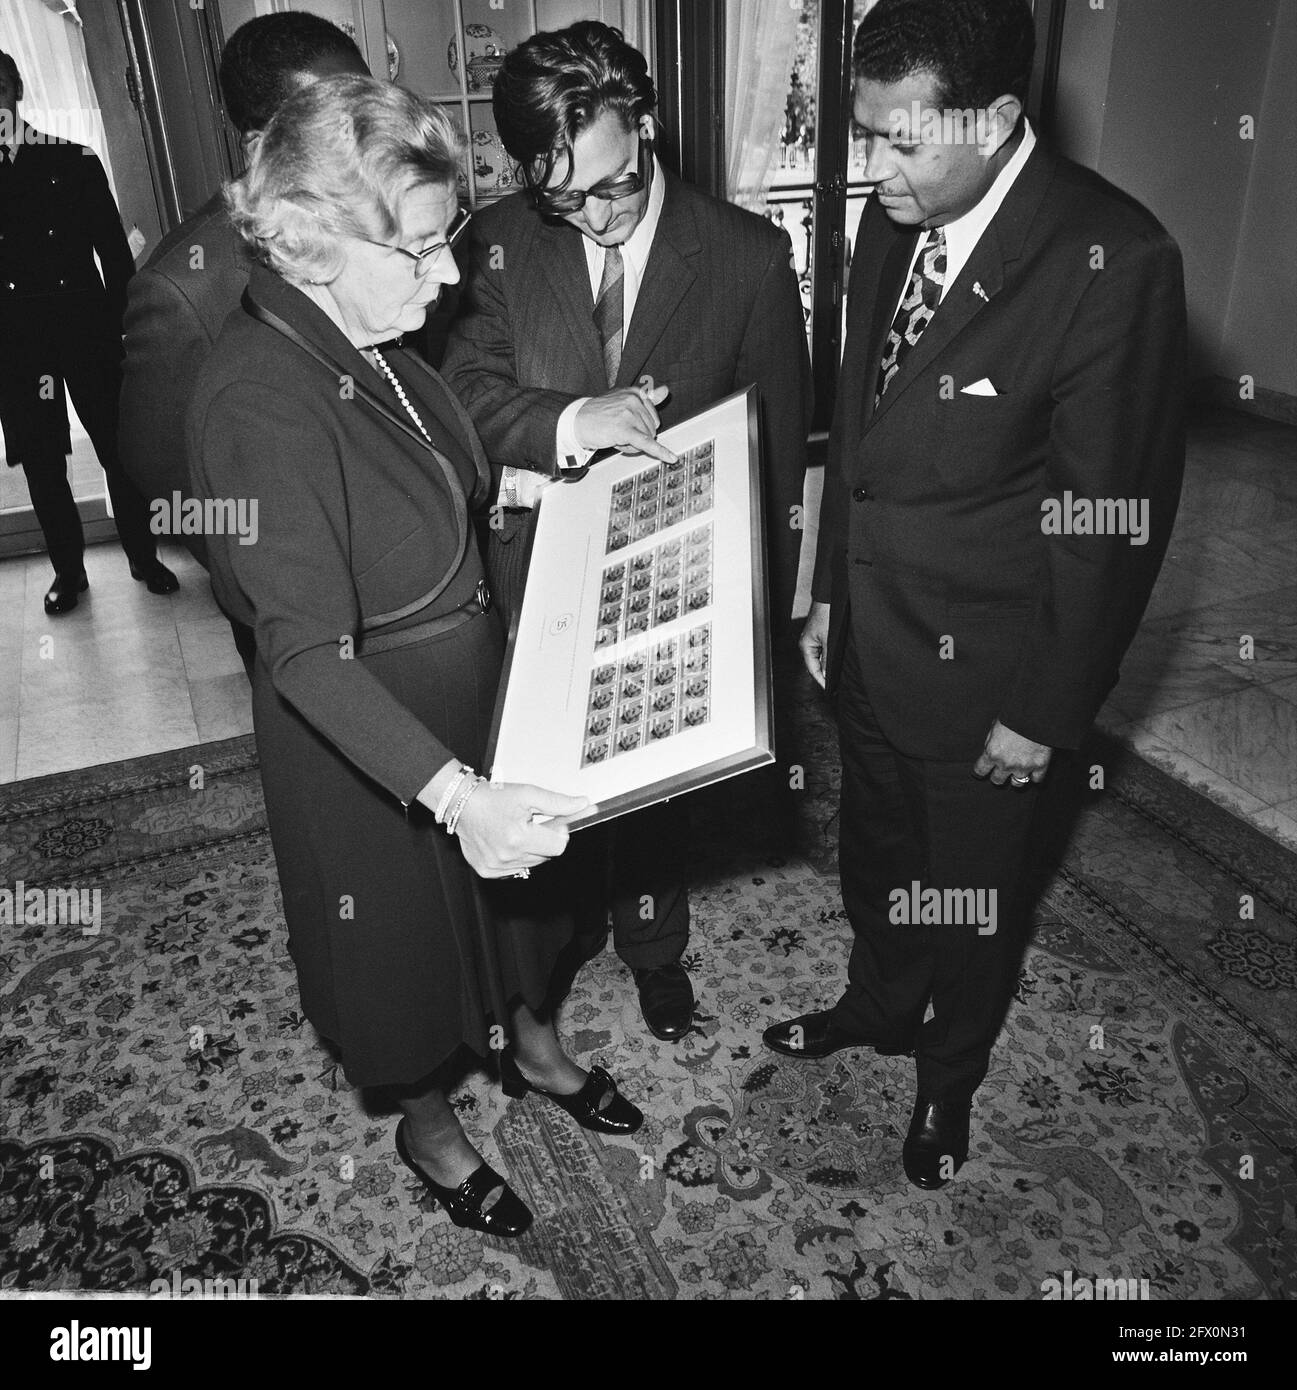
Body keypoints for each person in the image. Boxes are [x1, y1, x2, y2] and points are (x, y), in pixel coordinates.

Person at [190, 74, 643, 1238]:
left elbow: (429, 474)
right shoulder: (256, 399)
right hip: (374, 749)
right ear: (315, 236)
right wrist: (451, 793)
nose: (449, 277)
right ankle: (431, 1131)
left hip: (471, 697)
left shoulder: (365, 329)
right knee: (406, 959)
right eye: (426, 249)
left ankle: (536, 1047)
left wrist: (544, 478)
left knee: (522, 919)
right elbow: (302, 651)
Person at [764, 0, 1186, 1190]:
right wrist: (828, 590)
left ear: (998, 120)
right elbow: (857, 422)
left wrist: (1046, 710)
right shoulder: (894, 215)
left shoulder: (1115, 261)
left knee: (972, 893)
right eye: (865, 135)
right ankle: (878, 1004)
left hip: (995, 675)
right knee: (878, 848)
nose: (874, 168)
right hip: (868, 635)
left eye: (902, 140)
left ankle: (947, 1081)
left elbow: (1109, 521)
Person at [442, 20, 812, 1042]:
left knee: (646, 791)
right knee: (535, 772)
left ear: (643, 125)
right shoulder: (503, 242)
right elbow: (462, 392)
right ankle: (544, 955)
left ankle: (653, 947)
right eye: (565, 197)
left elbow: (775, 446)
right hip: (529, 574)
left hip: (672, 577)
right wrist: (569, 419)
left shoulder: (747, 257)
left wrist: (775, 608)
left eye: (613, 185)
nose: (596, 218)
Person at [119, 11, 368, 670]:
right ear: (263, 141)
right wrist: (275, 569)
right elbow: (170, 493)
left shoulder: (385, 220)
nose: (370, 133)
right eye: (341, 120)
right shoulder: (182, 287)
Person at [0, 50, 176, 616]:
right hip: (19, 343)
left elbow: (113, 252)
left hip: (84, 330)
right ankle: (68, 573)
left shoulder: (74, 160)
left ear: (18, 88)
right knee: (44, 461)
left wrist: (118, 327)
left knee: (117, 449)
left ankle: (144, 556)